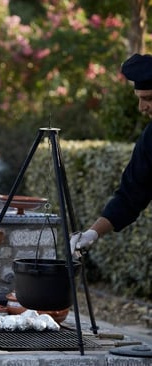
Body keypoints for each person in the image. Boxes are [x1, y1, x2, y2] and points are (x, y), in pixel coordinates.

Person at [71, 53, 152, 253]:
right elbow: (130, 195)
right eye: (139, 99)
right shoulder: (150, 139)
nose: (142, 108)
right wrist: (92, 233)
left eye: (148, 98)